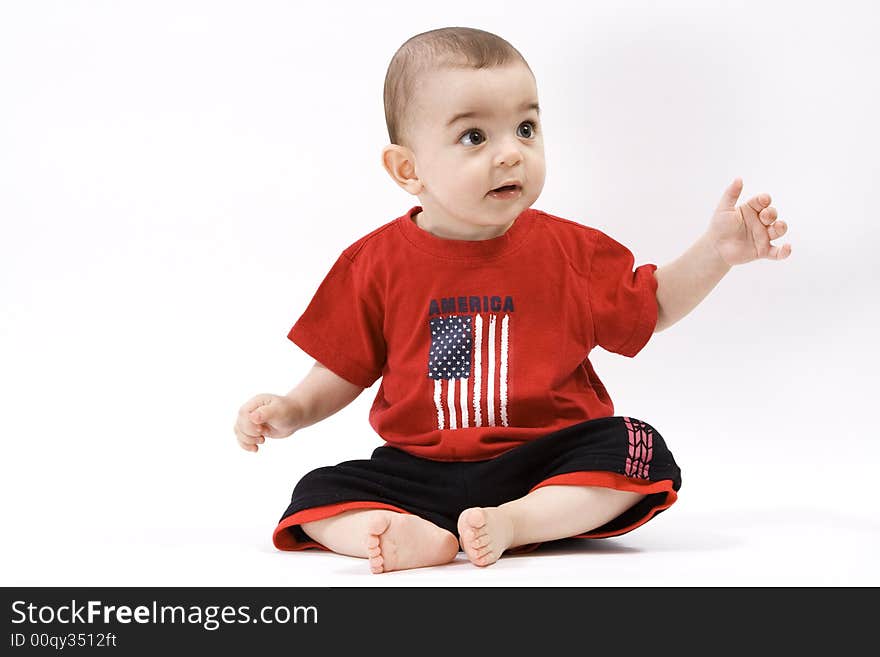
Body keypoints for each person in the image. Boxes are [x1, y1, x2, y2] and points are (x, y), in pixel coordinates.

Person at [233, 27, 791, 574]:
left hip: (546, 465)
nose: (511, 155)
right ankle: (407, 535)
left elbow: (653, 305)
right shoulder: (374, 264)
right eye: (475, 137)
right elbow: (344, 366)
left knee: (638, 447)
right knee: (317, 493)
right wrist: (294, 409)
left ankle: (515, 523)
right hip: (419, 470)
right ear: (408, 169)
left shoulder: (569, 250)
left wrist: (716, 251)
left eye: (525, 128)